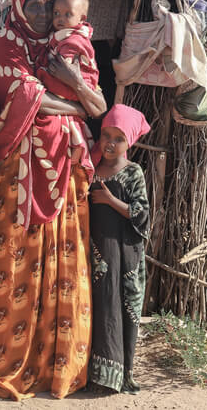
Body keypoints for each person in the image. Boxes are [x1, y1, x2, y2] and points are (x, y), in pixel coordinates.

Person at [0, 0, 107, 400]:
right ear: (18, 6)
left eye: (48, 6)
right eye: (33, 4)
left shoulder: (65, 49)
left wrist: (75, 80)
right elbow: (19, 94)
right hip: (17, 169)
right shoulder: (8, 45)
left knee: (64, 257)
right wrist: (77, 105)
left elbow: (100, 104)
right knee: (11, 257)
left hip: (62, 167)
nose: (40, 12)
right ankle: (6, 362)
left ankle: (58, 364)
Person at [87, 104, 151, 394]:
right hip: (95, 255)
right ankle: (94, 375)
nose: (110, 143)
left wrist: (110, 201)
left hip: (125, 259)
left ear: (130, 143)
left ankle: (120, 376)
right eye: (106, 136)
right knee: (99, 309)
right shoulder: (90, 167)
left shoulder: (133, 172)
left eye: (118, 138)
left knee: (121, 312)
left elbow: (142, 215)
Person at [42, 0, 99, 165]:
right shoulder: (62, 36)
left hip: (73, 87)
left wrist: (42, 73)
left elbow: (64, 68)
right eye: (56, 13)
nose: (60, 18)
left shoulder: (73, 40)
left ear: (81, 19)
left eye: (68, 14)